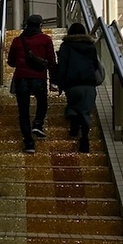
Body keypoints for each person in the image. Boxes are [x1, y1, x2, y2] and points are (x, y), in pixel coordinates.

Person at [7, 14, 56, 153]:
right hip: (39, 78)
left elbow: (11, 62)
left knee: (23, 113)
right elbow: (52, 62)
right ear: (40, 26)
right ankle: (38, 123)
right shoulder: (45, 39)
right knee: (42, 102)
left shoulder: (17, 41)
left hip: (21, 79)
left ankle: (29, 144)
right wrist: (53, 82)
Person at [53, 22, 100, 153]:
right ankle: (84, 139)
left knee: (73, 106)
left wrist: (59, 83)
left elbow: (62, 66)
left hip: (72, 85)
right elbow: (95, 65)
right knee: (86, 112)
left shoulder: (66, 46)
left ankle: (73, 118)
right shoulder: (90, 46)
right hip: (89, 85)